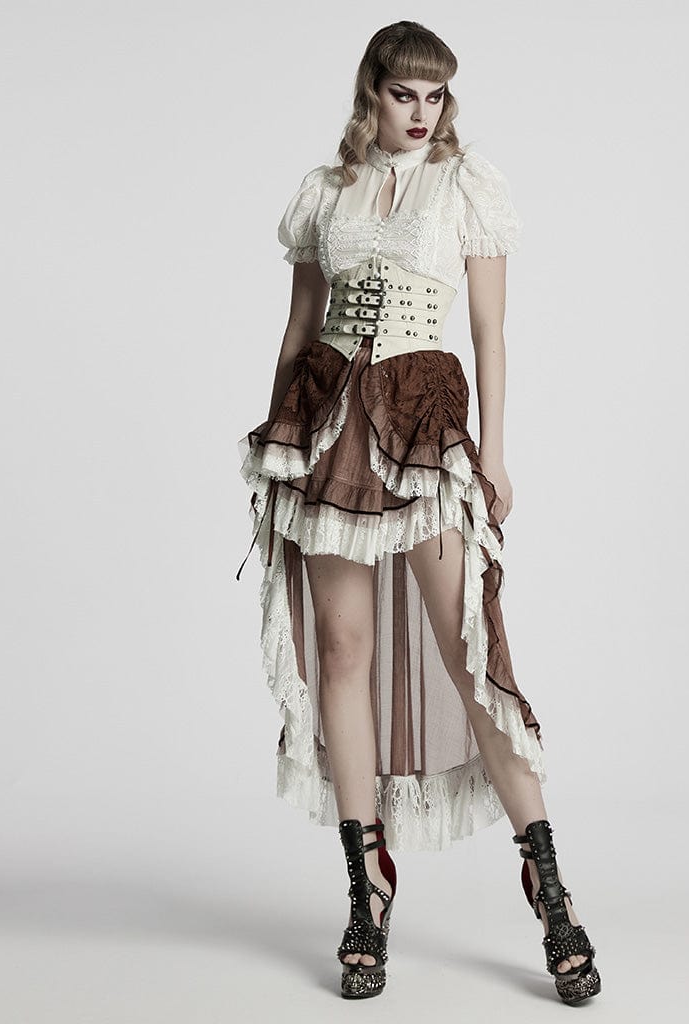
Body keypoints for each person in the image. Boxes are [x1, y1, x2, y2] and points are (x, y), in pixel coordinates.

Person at [235, 20, 600, 1005]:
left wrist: (497, 453)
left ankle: (550, 887)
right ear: (372, 92)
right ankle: (368, 887)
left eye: (435, 95)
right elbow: (298, 328)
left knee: (469, 651)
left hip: (424, 422)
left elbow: (489, 332)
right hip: (327, 429)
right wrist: (277, 441)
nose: (422, 112)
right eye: (405, 93)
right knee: (341, 652)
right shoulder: (327, 191)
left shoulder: (465, 185)